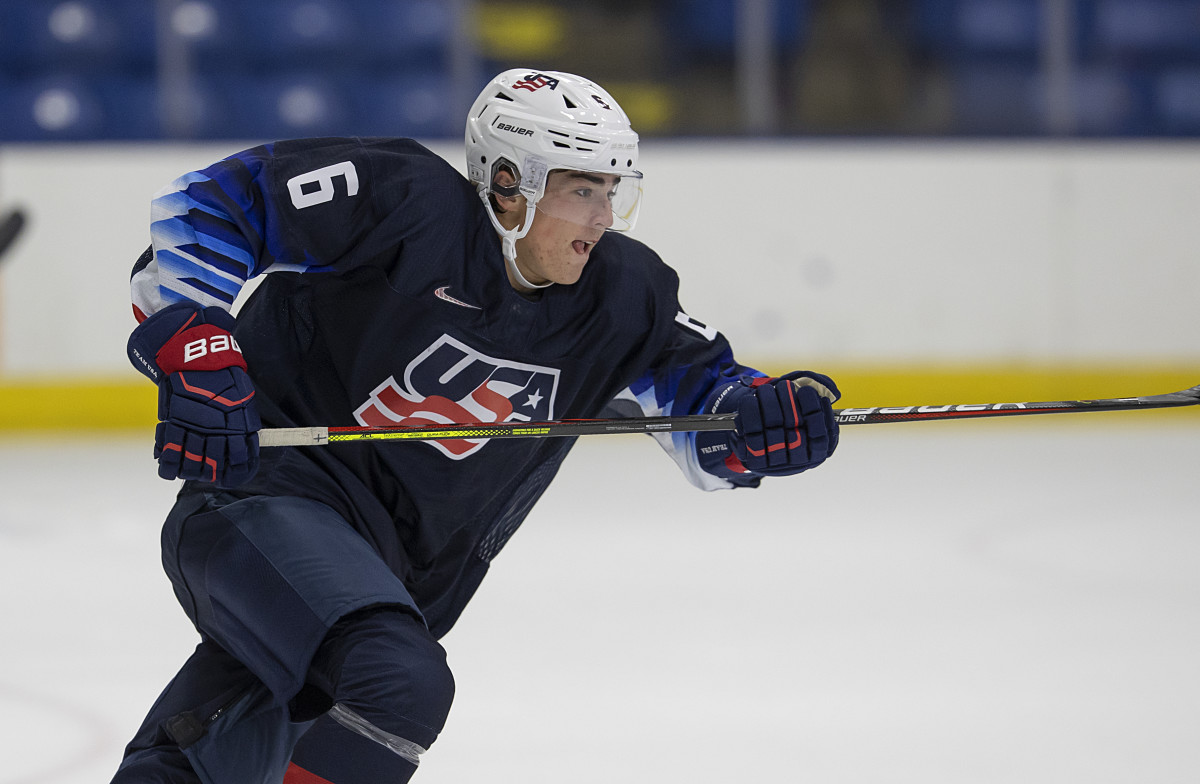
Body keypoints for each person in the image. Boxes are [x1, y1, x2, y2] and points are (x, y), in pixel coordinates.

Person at [112, 69, 841, 784]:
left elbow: (710, 409)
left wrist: (762, 422)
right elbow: (211, 203)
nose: (602, 218)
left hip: (387, 583)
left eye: (611, 191)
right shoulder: (404, 200)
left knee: (190, 763)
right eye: (581, 188)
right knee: (396, 680)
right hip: (261, 507)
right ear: (505, 180)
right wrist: (195, 345)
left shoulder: (624, 296)